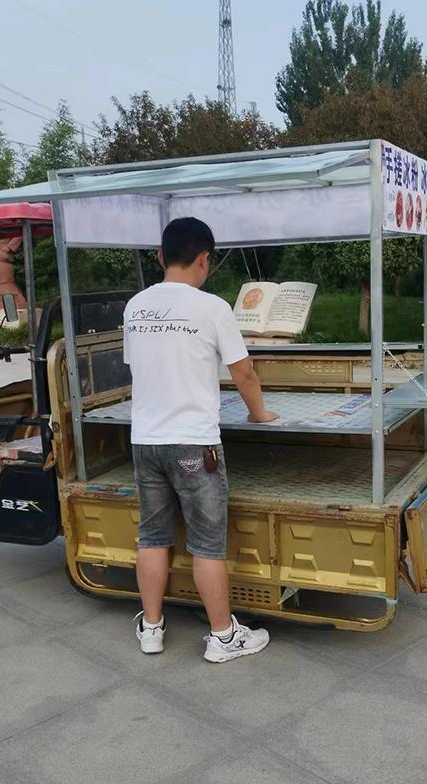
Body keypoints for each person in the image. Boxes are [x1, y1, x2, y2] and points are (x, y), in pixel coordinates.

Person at [123, 217, 278, 663]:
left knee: (152, 536)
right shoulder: (212, 308)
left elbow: (142, 367)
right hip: (194, 444)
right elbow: (243, 371)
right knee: (207, 544)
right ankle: (224, 636)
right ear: (205, 259)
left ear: (160, 257)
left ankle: (151, 628)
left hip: (145, 442)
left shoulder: (135, 306)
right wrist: (259, 413)